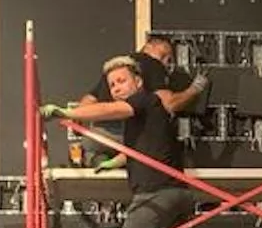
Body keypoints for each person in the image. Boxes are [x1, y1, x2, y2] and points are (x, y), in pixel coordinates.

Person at [45, 56, 197, 228]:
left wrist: (68, 112)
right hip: (178, 194)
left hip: (154, 193)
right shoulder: (148, 114)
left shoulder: (144, 100)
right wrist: (113, 162)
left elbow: (109, 110)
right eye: (112, 84)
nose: (116, 88)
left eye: (121, 81)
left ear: (138, 82)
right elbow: (143, 150)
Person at [74, 33, 204, 168]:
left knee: (92, 148)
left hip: (99, 138)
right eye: (164, 56)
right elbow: (169, 104)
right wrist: (195, 89)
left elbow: (88, 101)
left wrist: (74, 117)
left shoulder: (116, 70)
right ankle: (119, 159)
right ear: (149, 47)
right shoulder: (152, 64)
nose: (166, 63)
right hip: (132, 136)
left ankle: (100, 160)